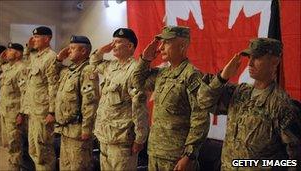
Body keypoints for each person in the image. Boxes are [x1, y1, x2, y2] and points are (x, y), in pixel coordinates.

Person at [197, 38, 301, 170]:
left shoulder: (282, 105)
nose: (250, 64)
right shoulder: (240, 92)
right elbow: (204, 102)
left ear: (275, 61)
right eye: (249, 58)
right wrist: (222, 77)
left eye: (257, 58)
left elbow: (294, 161)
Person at [132, 26, 210, 171]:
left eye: (166, 43)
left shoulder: (192, 76)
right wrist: (145, 59)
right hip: (155, 151)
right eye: (161, 43)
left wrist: (189, 156)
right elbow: (137, 82)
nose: (160, 47)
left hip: (176, 156)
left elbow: (200, 118)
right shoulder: (163, 73)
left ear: (182, 46)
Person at [90, 28, 148, 171]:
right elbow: (94, 64)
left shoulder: (135, 70)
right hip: (105, 135)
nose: (113, 45)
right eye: (113, 42)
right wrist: (102, 50)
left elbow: (139, 106)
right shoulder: (111, 66)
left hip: (123, 139)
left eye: (118, 42)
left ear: (130, 46)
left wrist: (140, 138)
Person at [54, 35, 99, 170]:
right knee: (65, 167)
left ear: (84, 51)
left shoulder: (87, 71)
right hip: (66, 129)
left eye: (73, 48)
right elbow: (51, 75)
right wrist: (58, 59)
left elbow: (90, 103)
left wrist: (86, 129)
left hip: (78, 131)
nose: (69, 51)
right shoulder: (70, 70)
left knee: (78, 167)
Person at [23, 26, 59, 170]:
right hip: (33, 112)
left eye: (38, 37)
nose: (34, 40)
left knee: (44, 152)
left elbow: (53, 86)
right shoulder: (35, 56)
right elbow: (25, 68)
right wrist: (28, 47)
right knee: (33, 151)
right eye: (34, 37)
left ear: (48, 38)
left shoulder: (51, 57)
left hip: (43, 113)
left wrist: (52, 111)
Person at [0, 43, 28, 170]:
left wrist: (21, 113)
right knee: (8, 145)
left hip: (14, 114)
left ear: (17, 54)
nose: (7, 52)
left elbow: (25, 93)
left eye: (10, 50)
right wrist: (1, 57)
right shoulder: (8, 68)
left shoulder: (21, 69)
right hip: (5, 113)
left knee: (14, 147)